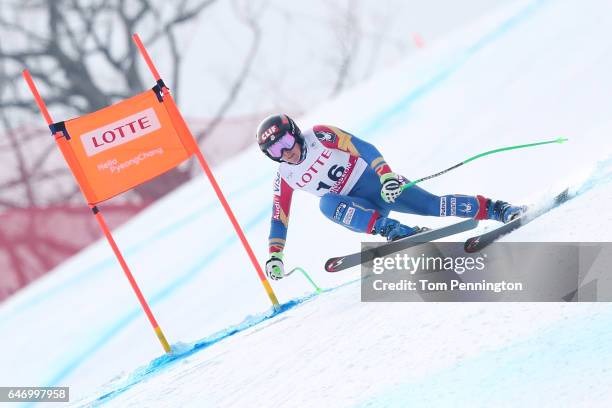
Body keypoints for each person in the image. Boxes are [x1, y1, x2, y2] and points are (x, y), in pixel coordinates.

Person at [257, 114, 524, 280]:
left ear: (295, 133)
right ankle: (397, 232)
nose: (286, 152)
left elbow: (362, 147)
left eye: (286, 142)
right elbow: (279, 218)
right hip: (358, 209)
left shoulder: (319, 135)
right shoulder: (285, 176)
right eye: (276, 151)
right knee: (326, 203)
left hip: (377, 186)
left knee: (434, 205)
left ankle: (499, 209)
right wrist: (275, 256)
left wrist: (386, 175)